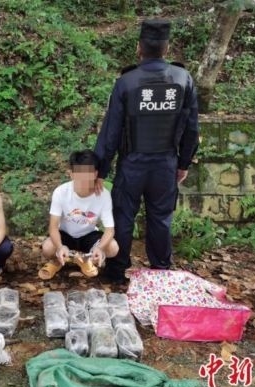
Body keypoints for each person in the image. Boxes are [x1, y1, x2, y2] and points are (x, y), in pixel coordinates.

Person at [94, 19, 200, 284]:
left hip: (132, 163)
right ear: (167, 48)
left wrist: (101, 170)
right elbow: (191, 128)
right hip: (166, 163)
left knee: (123, 217)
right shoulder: (183, 79)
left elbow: (111, 132)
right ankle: (161, 272)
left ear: (138, 47)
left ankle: (116, 272)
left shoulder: (126, 82)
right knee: (161, 218)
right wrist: (184, 163)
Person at [38, 149, 119, 280]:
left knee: (113, 248)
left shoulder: (103, 195)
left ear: (95, 174)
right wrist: (60, 246)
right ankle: (59, 260)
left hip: (89, 234)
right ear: (71, 174)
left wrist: (100, 248)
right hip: (66, 233)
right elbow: (53, 226)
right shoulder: (61, 192)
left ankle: (86, 260)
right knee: (47, 248)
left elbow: (110, 230)